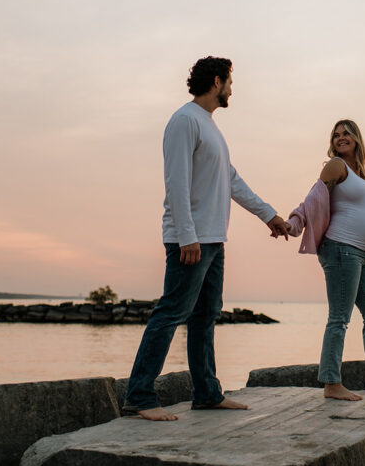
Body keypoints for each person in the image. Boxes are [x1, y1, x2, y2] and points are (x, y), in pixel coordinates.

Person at [124, 56, 290, 421]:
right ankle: (139, 397)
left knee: (205, 317)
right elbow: (177, 181)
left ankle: (207, 393)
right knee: (170, 314)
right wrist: (187, 236)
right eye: (230, 81)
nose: (232, 88)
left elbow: (231, 180)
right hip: (192, 239)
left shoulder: (210, 127)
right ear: (217, 81)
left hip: (214, 239)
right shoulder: (184, 121)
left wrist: (269, 215)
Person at [286, 119, 365, 401]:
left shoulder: (364, 175)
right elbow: (312, 199)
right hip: (340, 248)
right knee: (340, 318)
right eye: (336, 135)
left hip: (360, 254)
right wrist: (294, 223)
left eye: (346, 133)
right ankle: (331, 383)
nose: (341, 138)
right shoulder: (336, 166)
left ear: (356, 138)